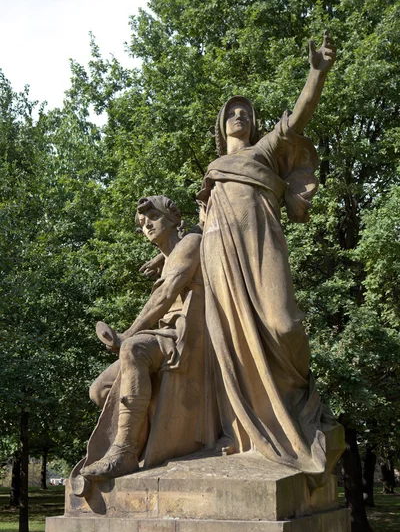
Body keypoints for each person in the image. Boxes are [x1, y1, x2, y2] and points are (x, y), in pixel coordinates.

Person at [197, 32, 344, 486]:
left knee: (285, 325)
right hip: (220, 255)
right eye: (231, 113)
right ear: (221, 129)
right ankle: (242, 431)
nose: (239, 116)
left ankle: (300, 405)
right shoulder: (213, 176)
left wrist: (316, 73)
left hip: (263, 247)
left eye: (246, 113)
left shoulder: (262, 152)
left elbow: (298, 118)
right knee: (231, 346)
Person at [80, 196, 204, 480]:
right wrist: (162, 257)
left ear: (174, 219)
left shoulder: (191, 245)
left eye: (153, 217)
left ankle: (124, 452)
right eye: (141, 222)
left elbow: (165, 295)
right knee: (100, 390)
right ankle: (152, 440)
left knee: (134, 348)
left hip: (185, 334)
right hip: (163, 335)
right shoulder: (171, 255)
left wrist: (127, 335)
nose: (146, 225)